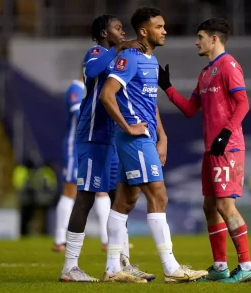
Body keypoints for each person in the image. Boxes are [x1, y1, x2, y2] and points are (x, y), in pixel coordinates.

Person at [99, 7, 208, 283]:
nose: (165, 31)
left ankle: (113, 268)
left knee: (126, 200)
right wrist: (127, 126)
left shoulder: (150, 61)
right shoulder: (130, 59)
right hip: (134, 139)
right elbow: (106, 94)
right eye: (159, 26)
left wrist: (163, 136)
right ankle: (170, 267)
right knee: (159, 196)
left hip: (144, 137)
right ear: (144, 31)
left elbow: (149, 103)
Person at [157, 18, 251, 283]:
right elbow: (191, 109)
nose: (196, 41)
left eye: (200, 36)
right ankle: (220, 266)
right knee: (210, 206)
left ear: (214, 39)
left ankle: (246, 266)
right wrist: (167, 87)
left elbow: (243, 103)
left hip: (228, 147)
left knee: (225, 205)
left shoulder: (228, 65)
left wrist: (226, 133)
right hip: (211, 149)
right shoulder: (205, 73)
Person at [60, 14, 154, 283]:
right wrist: (118, 48)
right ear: (103, 32)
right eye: (117, 28)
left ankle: (120, 262)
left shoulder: (118, 59)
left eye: (123, 29)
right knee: (86, 198)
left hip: (113, 141)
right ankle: (69, 267)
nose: (122, 32)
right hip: (92, 136)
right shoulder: (97, 52)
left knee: (119, 201)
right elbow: (90, 72)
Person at [52, 72, 112, 252]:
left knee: (101, 189)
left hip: (93, 146)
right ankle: (60, 239)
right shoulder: (76, 89)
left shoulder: (90, 91)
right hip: (75, 147)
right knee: (70, 189)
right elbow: (80, 115)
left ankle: (107, 239)